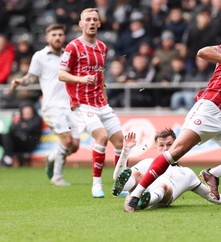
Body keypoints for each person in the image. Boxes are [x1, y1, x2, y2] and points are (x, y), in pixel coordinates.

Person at [125, 27, 221, 212]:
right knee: (175, 153)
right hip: (208, 109)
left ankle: (212, 174)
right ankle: (136, 195)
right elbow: (203, 52)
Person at [58, 8, 125, 198]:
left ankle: (119, 183)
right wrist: (81, 79)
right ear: (81, 24)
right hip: (82, 104)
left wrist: (104, 97)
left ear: (99, 23)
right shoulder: (73, 47)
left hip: (101, 103)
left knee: (120, 141)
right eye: (87, 19)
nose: (92, 22)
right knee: (102, 137)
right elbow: (61, 74)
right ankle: (96, 184)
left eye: (95, 19)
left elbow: (100, 75)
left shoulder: (103, 47)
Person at [112, 129, 221, 211]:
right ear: (155, 147)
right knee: (135, 174)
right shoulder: (148, 162)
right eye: (161, 145)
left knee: (163, 186)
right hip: (140, 190)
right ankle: (133, 196)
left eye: (169, 144)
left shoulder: (187, 173)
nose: (165, 148)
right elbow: (117, 177)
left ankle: (143, 202)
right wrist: (126, 151)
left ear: (177, 145)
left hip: (164, 196)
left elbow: (209, 195)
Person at [10, 24, 80, 186]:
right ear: (47, 38)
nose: (57, 38)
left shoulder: (69, 56)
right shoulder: (39, 56)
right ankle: (57, 177)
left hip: (72, 106)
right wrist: (21, 81)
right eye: (53, 35)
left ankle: (52, 157)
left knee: (75, 146)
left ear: (64, 37)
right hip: (52, 106)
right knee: (67, 140)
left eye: (60, 35)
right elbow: (31, 77)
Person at [0, 103, 42, 167]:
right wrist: (21, 127)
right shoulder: (20, 121)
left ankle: (7, 158)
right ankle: (7, 157)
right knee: (3, 136)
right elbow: (11, 128)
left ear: (32, 111)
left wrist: (19, 128)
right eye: (25, 111)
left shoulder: (36, 120)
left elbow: (29, 129)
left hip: (28, 143)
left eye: (28, 111)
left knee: (8, 137)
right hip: (17, 142)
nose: (27, 113)